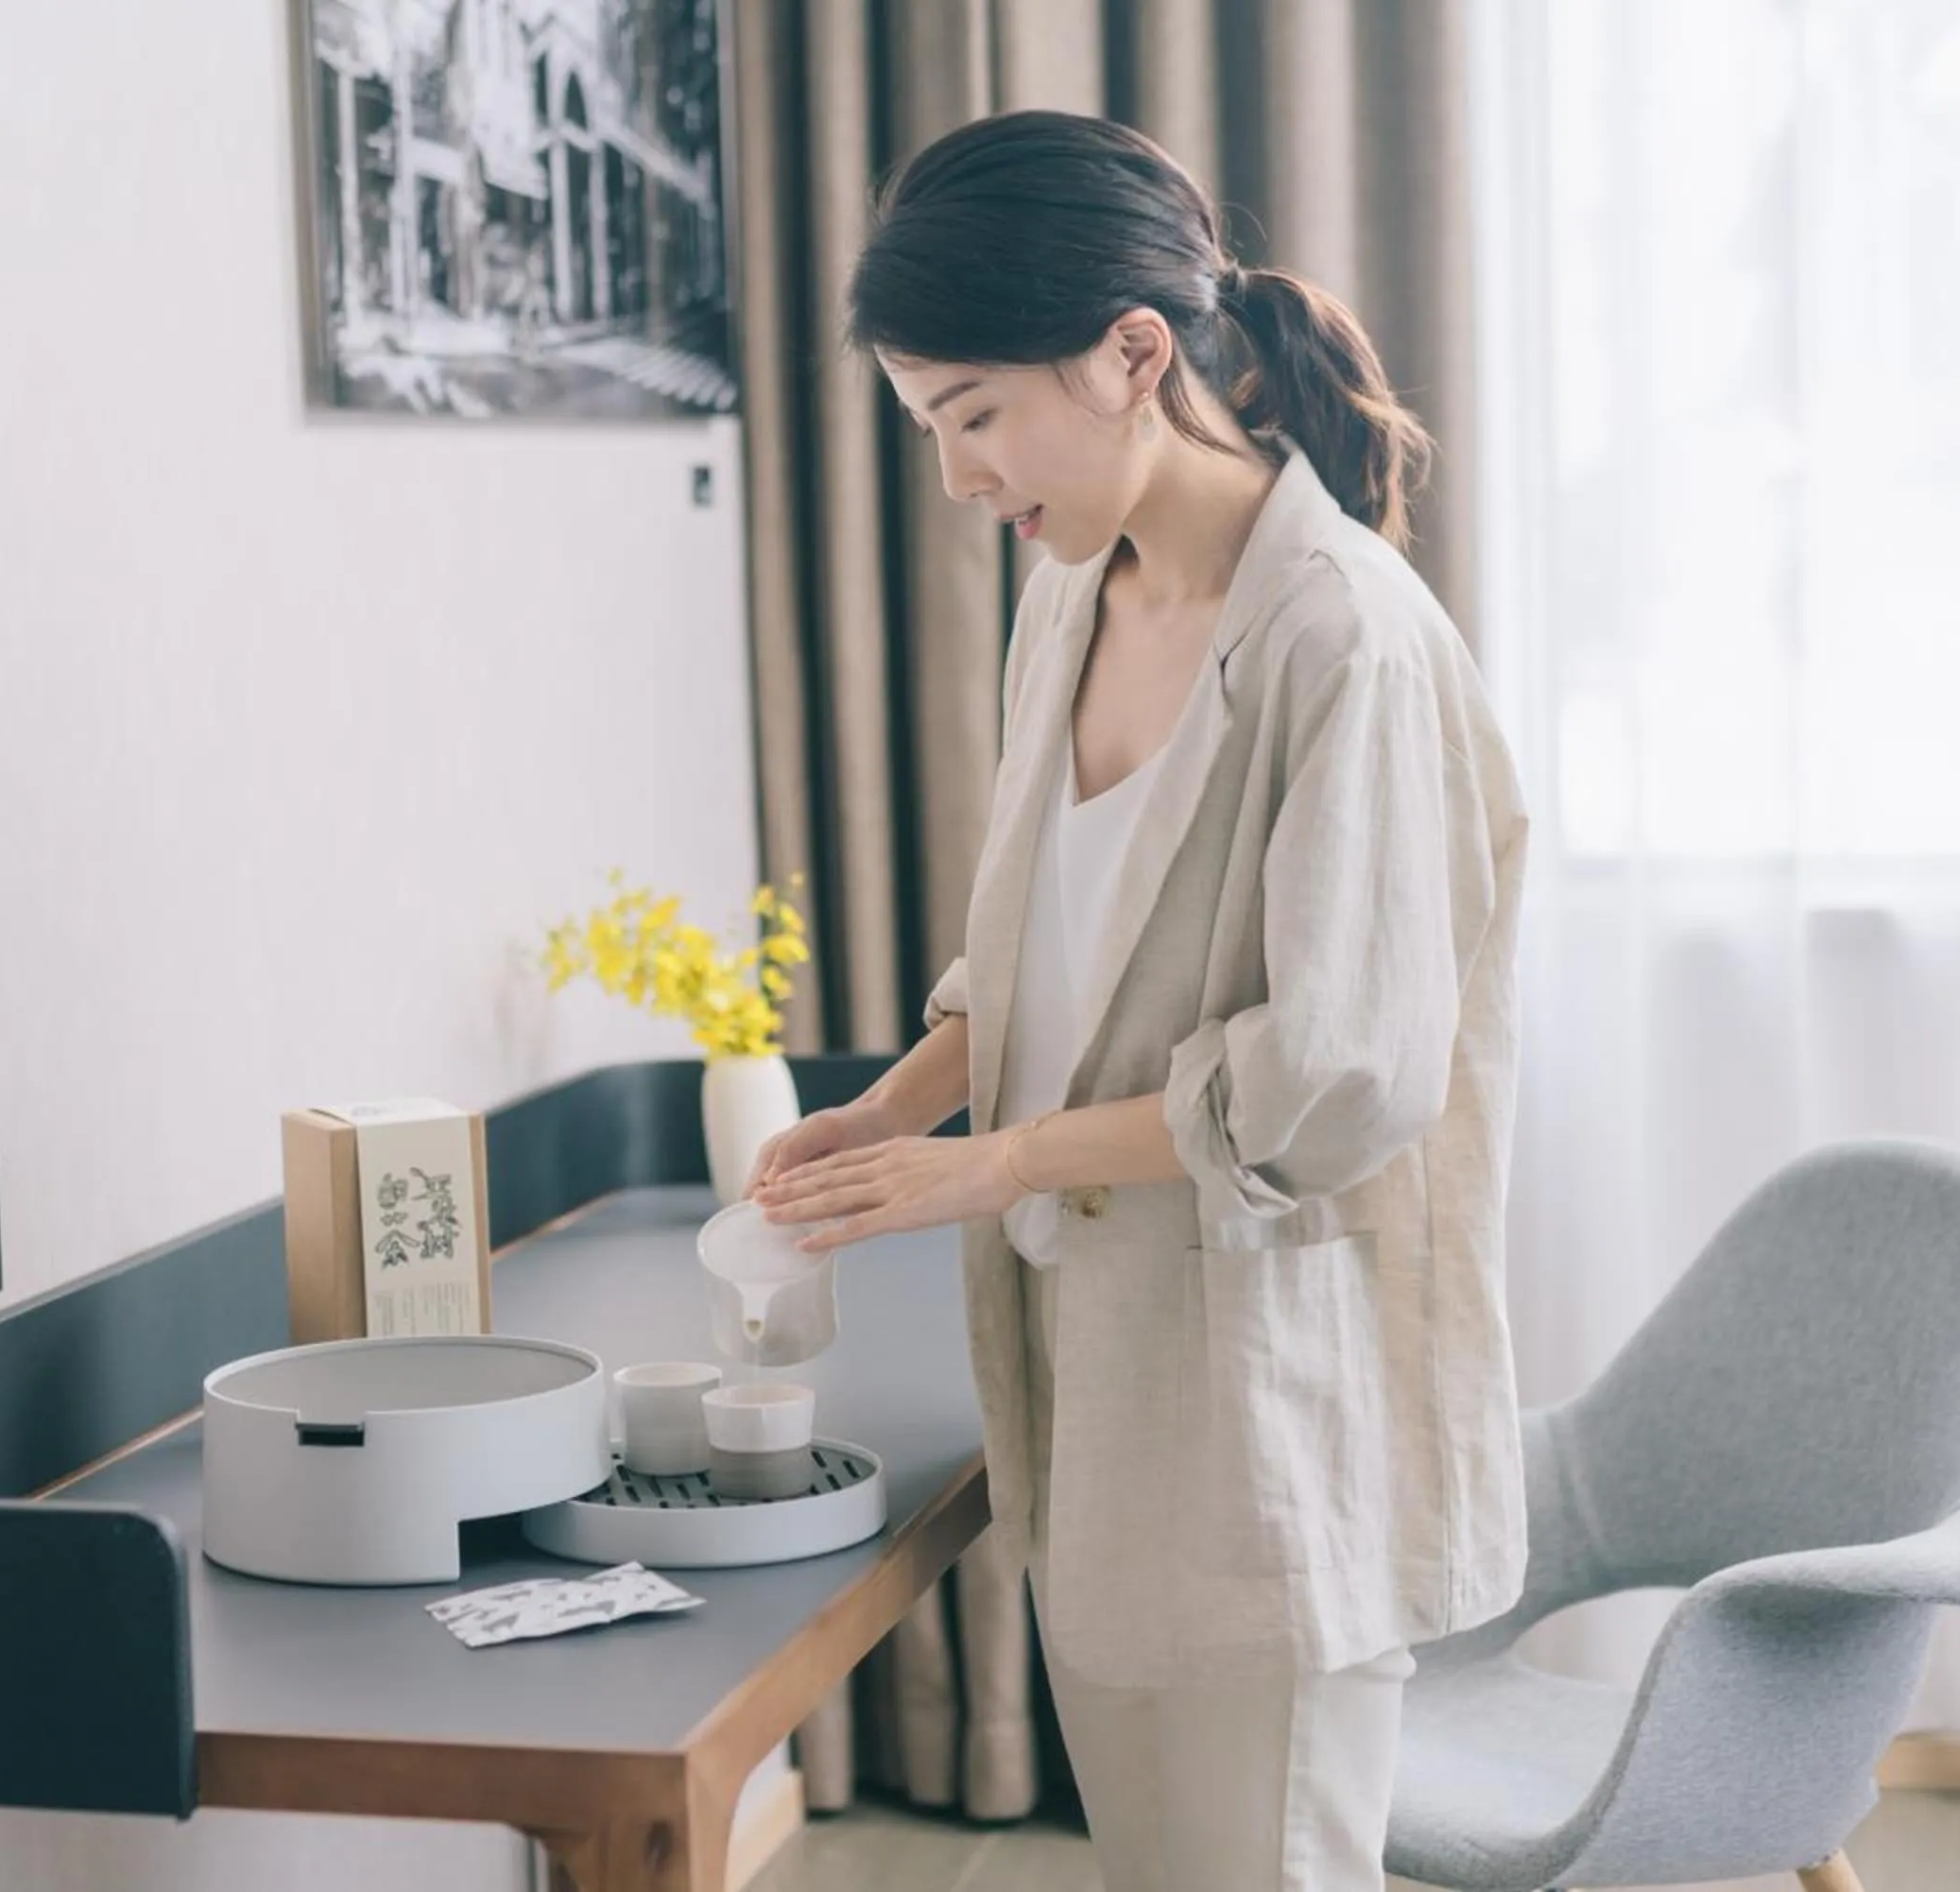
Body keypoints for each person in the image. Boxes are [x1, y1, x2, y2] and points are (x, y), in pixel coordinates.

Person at [747, 110, 1530, 1892]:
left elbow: (1335, 1074)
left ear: (1132, 353)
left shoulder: (1344, 634)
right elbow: (1041, 947)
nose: (959, 477)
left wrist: (995, 1163)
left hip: (1274, 1397)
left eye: (973, 416)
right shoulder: (1067, 600)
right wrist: (893, 1108)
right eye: (928, 427)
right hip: (1096, 1376)